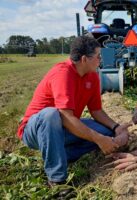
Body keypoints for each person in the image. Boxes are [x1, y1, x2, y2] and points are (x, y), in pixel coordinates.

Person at [17, 36, 129, 188]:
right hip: (36, 130)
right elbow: (65, 116)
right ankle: (57, 180)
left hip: (62, 127)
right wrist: (98, 139)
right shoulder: (63, 74)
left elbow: (96, 110)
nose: (100, 60)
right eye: (97, 56)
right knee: (51, 114)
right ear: (84, 59)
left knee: (106, 133)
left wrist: (116, 127)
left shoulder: (93, 77)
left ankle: (60, 155)